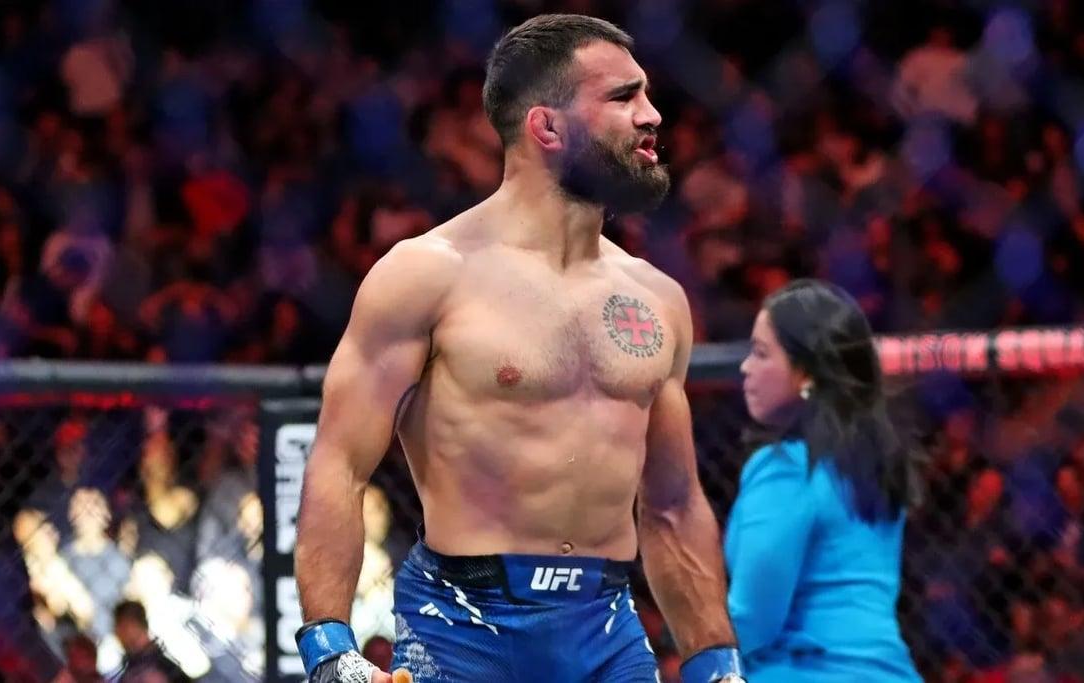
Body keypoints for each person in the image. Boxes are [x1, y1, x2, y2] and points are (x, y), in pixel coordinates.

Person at [293, 13, 744, 683]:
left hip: (607, 629)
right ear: (547, 127)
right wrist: (329, 649)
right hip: (462, 625)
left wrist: (717, 664)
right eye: (623, 97)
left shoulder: (657, 299)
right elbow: (339, 462)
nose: (651, 115)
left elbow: (673, 505)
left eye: (646, 94)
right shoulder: (428, 275)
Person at [727, 279, 925, 681]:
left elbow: (752, 620)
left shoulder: (786, 469)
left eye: (761, 353)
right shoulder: (873, 466)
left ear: (805, 372)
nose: (746, 367)